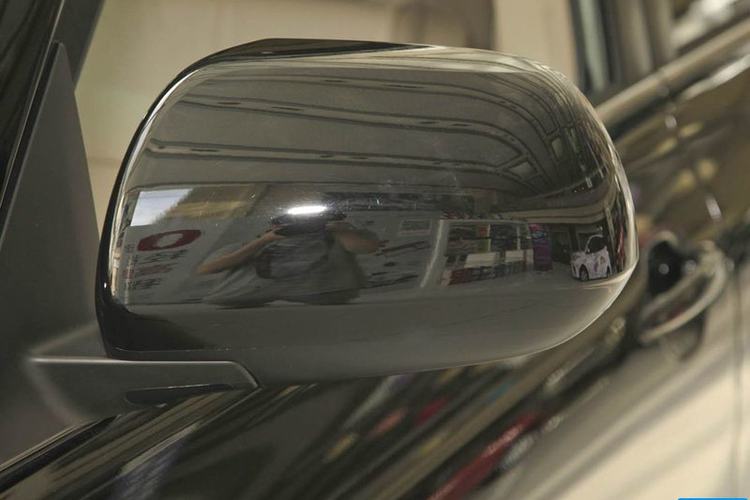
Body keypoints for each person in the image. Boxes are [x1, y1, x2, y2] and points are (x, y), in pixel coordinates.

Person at [197, 212, 378, 307]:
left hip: (326, 297)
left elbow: (365, 247)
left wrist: (337, 230)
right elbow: (206, 269)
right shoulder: (255, 244)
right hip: (246, 300)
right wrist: (262, 242)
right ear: (274, 226)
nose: (302, 227)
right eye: (292, 222)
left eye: (309, 221)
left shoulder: (337, 237)